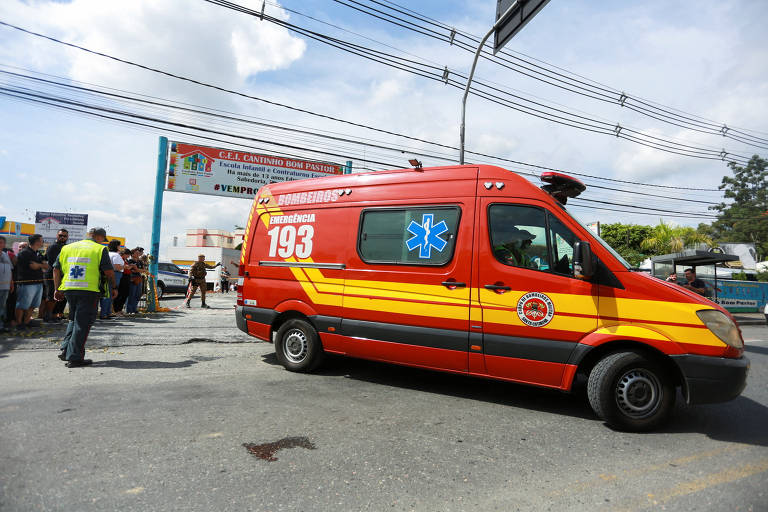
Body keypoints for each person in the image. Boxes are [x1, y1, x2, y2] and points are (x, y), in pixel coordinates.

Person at [53, 227, 116, 367]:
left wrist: (57, 288)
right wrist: (114, 286)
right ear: (99, 237)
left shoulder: (67, 248)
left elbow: (56, 269)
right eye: (102, 239)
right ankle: (75, 357)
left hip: (69, 288)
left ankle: (65, 350)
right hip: (89, 290)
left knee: (73, 320)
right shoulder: (99, 249)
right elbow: (108, 271)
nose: (102, 242)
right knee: (83, 323)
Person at [14, 234, 49, 331]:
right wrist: (40, 265)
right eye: (42, 240)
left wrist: (39, 265)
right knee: (22, 305)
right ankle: (19, 323)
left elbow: (46, 266)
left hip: (38, 283)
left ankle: (26, 322)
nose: (43, 242)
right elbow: (32, 266)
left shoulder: (37, 253)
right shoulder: (25, 253)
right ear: (37, 242)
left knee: (33, 305)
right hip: (27, 283)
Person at [41, 229, 69, 322]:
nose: (62, 237)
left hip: (62, 275)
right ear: (57, 236)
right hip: (52, 274)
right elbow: (53, 263)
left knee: (60, 296)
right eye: (61, 235)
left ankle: (54, 315)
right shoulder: (53, 247)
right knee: (51, 295)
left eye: (64, 236)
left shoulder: (66, 247)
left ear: (67, 237)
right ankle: (48, 316)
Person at [125, 247, 146, 315]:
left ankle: (134, 309)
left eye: (138, 253)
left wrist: (137, 269)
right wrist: (138, 270)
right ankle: (129, 310)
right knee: (131, 294)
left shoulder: (140, 261)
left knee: (138, 295)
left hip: (139, 279)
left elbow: (143, 270)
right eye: (136, 253)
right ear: (132, 254)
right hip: (132, 279)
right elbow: (134, 270)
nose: (138, 254)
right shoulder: (130, 261)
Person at [113, 248, 133, 315]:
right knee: (120, 294)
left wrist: (129, 267)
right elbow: (119, 267)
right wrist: (126, 267)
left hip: (127, 277)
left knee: (125, 294)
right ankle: (116, 310)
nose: (128, 257)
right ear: (124, 254)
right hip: (122, 276)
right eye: (128, 255)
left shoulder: (125, 259)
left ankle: (120, 309)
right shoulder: (119, 258)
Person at [0, 236, 13, 332]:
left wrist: (11, 283)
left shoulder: (5, 254)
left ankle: (1, 326)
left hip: (5, 286)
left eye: (1, 242)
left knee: (2, 306)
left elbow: (10, 270)